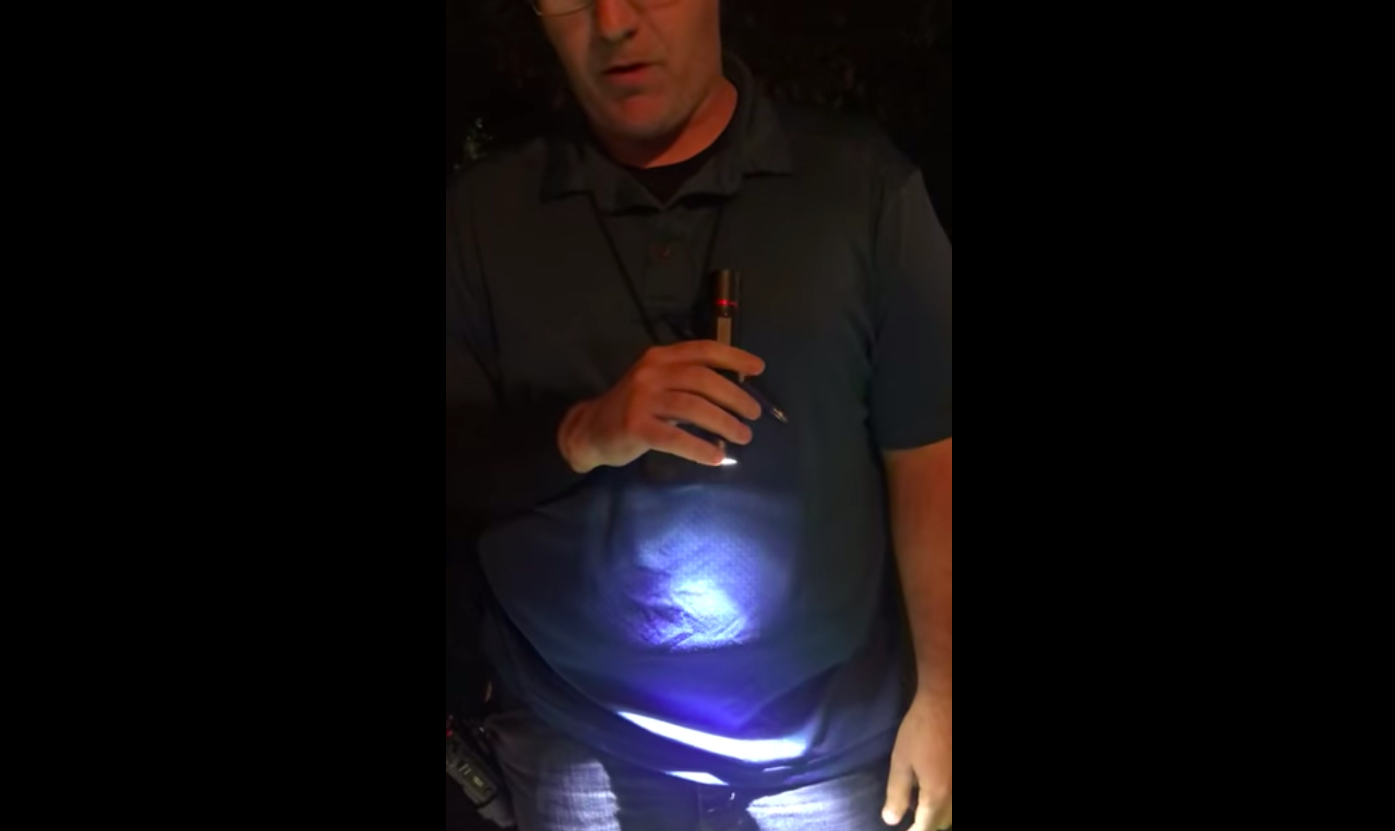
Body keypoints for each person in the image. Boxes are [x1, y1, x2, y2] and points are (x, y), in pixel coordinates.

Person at [445, 0, 952, 829]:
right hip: (577, 739)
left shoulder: (861, 188)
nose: (613, 21)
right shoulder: (481, 214)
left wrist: (943, 698)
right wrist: (581, 432)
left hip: (824, 752)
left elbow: (928, 454)